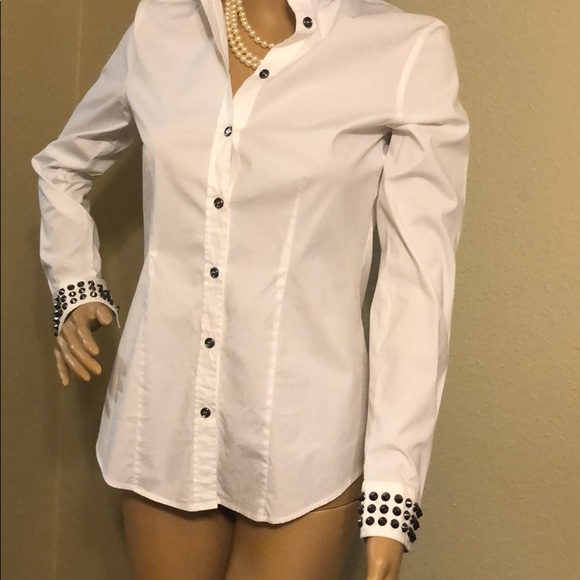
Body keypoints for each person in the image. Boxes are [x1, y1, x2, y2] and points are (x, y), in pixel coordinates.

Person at [31, 0, 470, 577]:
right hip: (164, 418)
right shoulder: (160, 25)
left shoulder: (404, 50)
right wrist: (75, 282)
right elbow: (61, 167)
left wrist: (394, 492)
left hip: (303, 442)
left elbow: (417, 287)